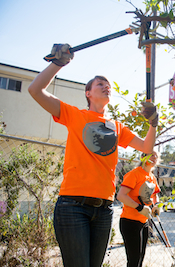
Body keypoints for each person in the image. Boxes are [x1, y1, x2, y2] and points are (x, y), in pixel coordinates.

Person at [27, 44, 158, 267]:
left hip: (105, 209)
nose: (106, 86)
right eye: (100, 84)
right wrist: (58, 63)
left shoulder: (117, 127)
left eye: (108, 85)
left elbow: (146, 147)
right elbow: (35, 90)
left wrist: (153, 123)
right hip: (73, 206)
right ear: (88, 93)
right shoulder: (74, 114)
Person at [117, 151, 161, 267]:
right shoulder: (134, 174)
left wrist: (157, 205)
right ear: (143, 157)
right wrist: (139, 207)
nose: (154, 157)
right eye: (151, 154)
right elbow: (121, 196)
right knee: (134, 261)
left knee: (140, 260)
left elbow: (155, 195)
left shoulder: (152, 177)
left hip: (144, 222)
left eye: (156, 155)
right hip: (130, 222)